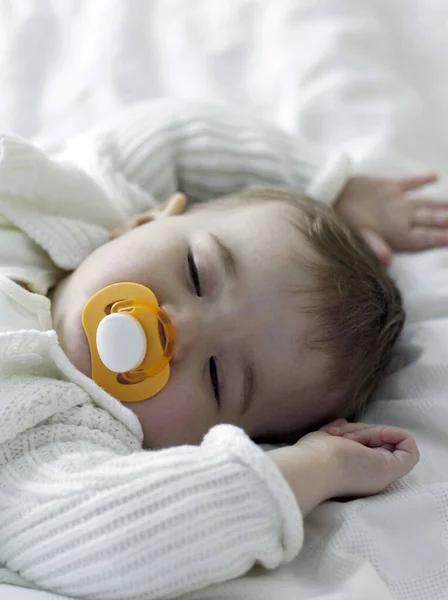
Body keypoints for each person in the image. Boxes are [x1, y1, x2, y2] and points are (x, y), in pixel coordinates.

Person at [0, 99, 443, 599]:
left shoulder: (47, 444)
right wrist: (331, 185)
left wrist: (315, 468)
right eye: (195, 273)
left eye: (216, 377)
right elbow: (176, 135)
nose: (177, 332)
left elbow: (122, 535)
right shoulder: (73, 203)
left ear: (200, 443)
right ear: (148, 219)